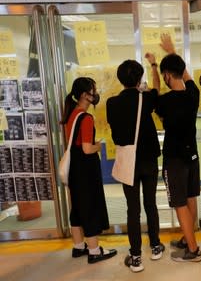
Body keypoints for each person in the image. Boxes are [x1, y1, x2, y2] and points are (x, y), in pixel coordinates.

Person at [106, 59, 164, 272]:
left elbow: (117, 134)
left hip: (127, 161)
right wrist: (155, 66)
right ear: (140, 79)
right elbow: (157, 88)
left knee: (133, 209)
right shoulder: (146, 99)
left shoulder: (112, 103)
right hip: (148, 159)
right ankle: (156, 247)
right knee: (151, 204)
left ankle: (136, 257)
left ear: (120, 80)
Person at [154, 39, 201, 262]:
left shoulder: (164, 101)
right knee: (191, 197)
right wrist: (172, 53)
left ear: (166, 75)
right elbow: (186, 75)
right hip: (192, 156)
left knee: (179, 202)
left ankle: (193, 250)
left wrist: (154, 66)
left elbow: (154, 95)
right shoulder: (193, 94)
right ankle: (187, 238)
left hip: (175, 159)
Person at [61, 76, 117, 264]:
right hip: (85, 169)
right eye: (93, 90)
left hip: (74, 169)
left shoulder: (71, 114)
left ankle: (78, 246)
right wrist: (98, 146)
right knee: (90, 207)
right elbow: (86, 148)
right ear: (85, 95)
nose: (96, 93)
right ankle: (94, 250)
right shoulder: (85, 118)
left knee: (77, 206)